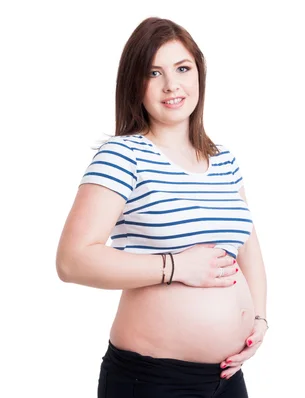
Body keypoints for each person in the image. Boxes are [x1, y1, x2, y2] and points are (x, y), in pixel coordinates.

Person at [55, 16, 268, 398]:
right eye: (154, 73)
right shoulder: (123, 155)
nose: (172, 85)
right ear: (135, 84)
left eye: (182, 69)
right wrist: (174, 266)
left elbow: (247, 246)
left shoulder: (224, 160)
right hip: (153, 380)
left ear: (199, 74)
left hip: (226, 377)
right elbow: (72, 261)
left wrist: (259, 319)